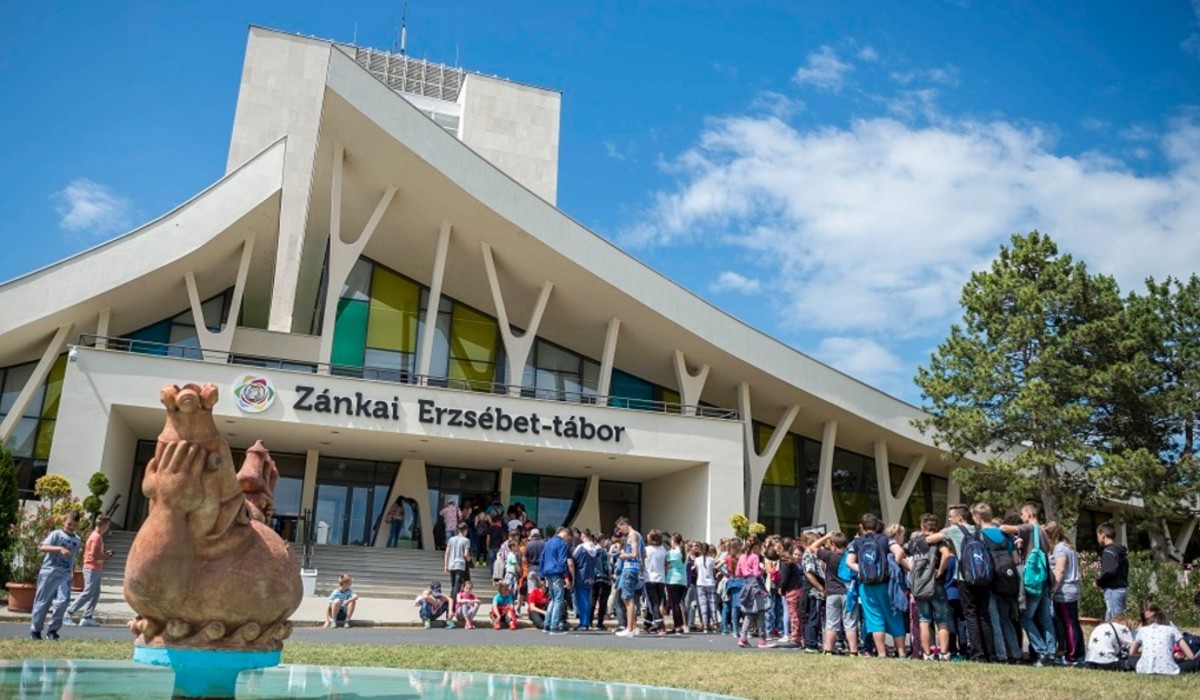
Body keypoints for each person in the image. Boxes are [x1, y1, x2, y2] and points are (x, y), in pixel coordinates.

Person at [925, 504, 992, 663]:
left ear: (959, 518)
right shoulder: (979, 530)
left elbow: (929, 539)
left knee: (970, 615)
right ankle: (989, 652)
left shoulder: (954, 530)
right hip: (983, 577)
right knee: (984, 615)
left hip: (965, 578)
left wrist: (943, 531)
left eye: (951, 517)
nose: (949, 520)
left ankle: (977, 654)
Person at [999, 503, 1056, 665]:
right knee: (1046, 619)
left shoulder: (1029, 528)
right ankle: (1051, 652)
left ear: (1029, 514)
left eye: (1022, 514)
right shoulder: (1043, 532)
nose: (1021, 517)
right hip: (1044, 580)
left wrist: (1014, 536)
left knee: (1025, 618)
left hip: (1033, 581)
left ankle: (1041, 650)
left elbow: (1004, 528)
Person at [845, 513, 907, 658]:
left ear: (861, 527)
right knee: (895, 617)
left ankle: (881, 653)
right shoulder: (885, 539)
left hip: (866, 586)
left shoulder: (857, 542)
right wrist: (892, 567)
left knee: (874, 619)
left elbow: (849, 562)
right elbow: (900, 551)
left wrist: (863, 571)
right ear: (877, 525)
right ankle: (902, 653)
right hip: (887, 584)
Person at [29, 510, 83, 640]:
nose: (71, 527)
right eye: (69, 524)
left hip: (64, 574)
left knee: (63, 602)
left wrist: (72, 572)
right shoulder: (56, 534)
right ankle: (36, 630)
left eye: (74, 525)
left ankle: (52, 631)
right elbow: (42, 547)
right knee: (42, 602)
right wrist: (59, 548)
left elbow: (74, 557)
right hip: (49, 572)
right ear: (64, 522)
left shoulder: (77, 540)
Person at [907, 513, 951, 661]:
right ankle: (944, 653)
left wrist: (910, 569)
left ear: (922, 526)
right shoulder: (938, 541)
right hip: (935, 582)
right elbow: (946, 554)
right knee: (942, 620)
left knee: (924, 619)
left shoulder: (914, 542)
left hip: (920, 584)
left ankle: (927, 654)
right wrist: (940, 570)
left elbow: (900, 554)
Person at [809, 531, 858, 656]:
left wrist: (826, 536)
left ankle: (828, 650)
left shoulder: (829, 556)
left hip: (832, 593)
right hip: (848, 592)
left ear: (833, 545)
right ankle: (853, 651)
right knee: (850, 623)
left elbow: (812, 547)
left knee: (831, 623)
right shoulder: (850, 556)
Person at [1046, 521, 1084, 665]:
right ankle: (1079, 653)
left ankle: (1071, 656)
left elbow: (1060, 569)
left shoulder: (1060, 548)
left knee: (1068, 623)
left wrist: (1054, 588)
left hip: (1064, 590)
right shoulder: (1069, 546)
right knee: (1073, 622)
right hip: (1072, 588)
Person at [65, 514, 112, 627]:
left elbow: (94, 553)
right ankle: (68, 612)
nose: (108, 527)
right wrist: (106, 556)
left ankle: (87, 617)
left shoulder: (96, 536)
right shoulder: (96, 537)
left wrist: (104, 554)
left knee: (95, 593)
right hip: (92, 568)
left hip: (95, 568)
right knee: (89, 592)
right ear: (104, 525)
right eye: (108, 525)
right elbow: (95, 555)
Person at [1130, 602, 1195, 675]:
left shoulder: (1143, 630)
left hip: (1145, 669)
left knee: (1130, 658)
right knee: (1193, 662)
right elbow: (1191, 656)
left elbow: (1131, 652)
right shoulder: (1172, 629)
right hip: (1169, 670)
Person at [736, 535, 772, 648]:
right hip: (756, 585)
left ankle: (743, 638)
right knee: (761, 613)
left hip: (747, 585)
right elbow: (756, 573)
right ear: (756, 546)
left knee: (749, 613)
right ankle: (762, 640)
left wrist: (747, 572)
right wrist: (762, 570)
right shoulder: (755, 557)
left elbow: (737, 573)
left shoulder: (742, 557)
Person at [539, 526, 574, 635]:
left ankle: (547, 624)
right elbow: (562, 561)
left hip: (548, 572)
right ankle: (554, 626)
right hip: (557, 573)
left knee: (553, 599)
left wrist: (541, 576)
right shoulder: (562, 544)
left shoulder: (547, 543)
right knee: (558, 600)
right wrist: (566, 577)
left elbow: (542, 559)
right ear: (565, 534)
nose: (567, 540)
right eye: (567, 537)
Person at [614, 516, 645, 638]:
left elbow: (634, 553)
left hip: (629, 568)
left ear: (625, 524)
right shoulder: (639, 535)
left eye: (620, 528)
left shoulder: (632, 535)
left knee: (628, 599)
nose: (620, 531)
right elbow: (643, 554)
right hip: (635, 569)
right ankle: (634, 626)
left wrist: (623, 555)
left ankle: (629, 628)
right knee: (627, 597)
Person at [1096, 523, 1129, 621]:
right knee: (1116, 618)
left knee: (1115, 621)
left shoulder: (1108, 551)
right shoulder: (1119, 552)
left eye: (1098, 536)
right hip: (1122, 588)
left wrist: (1098, 582)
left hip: (1113, 590)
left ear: (1103, 535)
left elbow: (1109, 571)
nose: (1098, 539)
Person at [572, 530, 599, 631]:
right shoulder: (595, 549)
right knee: (587, 599)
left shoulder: (581, 548)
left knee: (582, 600)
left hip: (580, 575)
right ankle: (586, 621)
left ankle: (583, 623)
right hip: (590, 575)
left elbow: (574, 559)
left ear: (583, 536)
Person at [444, 522, 472, 614]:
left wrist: (446, 565)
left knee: (453, 586)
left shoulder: (451, 539)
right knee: (457, 586)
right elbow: (466, 554)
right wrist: (470, 561)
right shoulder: (466, 540)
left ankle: (450, 607)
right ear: (465, 530)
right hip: (460, 565)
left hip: (451, 564)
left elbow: (447, 553)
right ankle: (452, 608)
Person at [664, 533, 688, 633]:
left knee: (674, 605)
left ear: (674, 541)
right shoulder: (684, 553)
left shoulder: (671, 553)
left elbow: (665, 563)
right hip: (682, 580)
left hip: (672, 579)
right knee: (678, 603)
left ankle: (678, 625)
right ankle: (680, 625)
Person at [692, 541, 717, 634]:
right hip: (710, 583)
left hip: (700, 583)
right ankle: (714, 623)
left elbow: (696, 571)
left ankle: (705, 624)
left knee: (703, 605)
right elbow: (713, 572)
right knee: (712, 603)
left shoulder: (697, 560)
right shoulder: (712, 560)